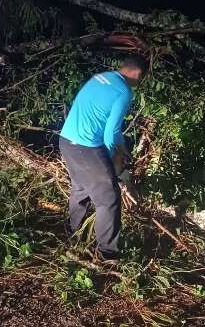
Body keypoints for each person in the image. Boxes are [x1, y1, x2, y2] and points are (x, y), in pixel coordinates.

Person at [59, 54, 148, 264]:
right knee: (108, 198)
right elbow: (111, 133)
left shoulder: (100, 77)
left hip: (66, 140)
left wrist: (119, 149)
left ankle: (73, 237)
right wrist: (114, 161)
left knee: (80, 188)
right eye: (140, 80)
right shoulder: (123, 91)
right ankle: (108, 254)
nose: (137, 85)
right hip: (87, 147)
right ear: (136, 74)